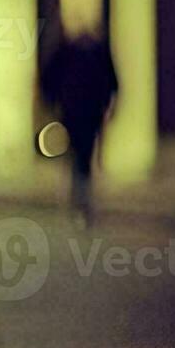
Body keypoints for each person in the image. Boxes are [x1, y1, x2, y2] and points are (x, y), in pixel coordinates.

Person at [41, 34, 119, 225]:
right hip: (83, 112)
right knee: (82, 157)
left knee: (79, 157)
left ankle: (80, 199)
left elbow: (49, 81)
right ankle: (81, 199)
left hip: (81, 112)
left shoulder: (76, 50)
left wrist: (52, 104)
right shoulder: (75, 50)